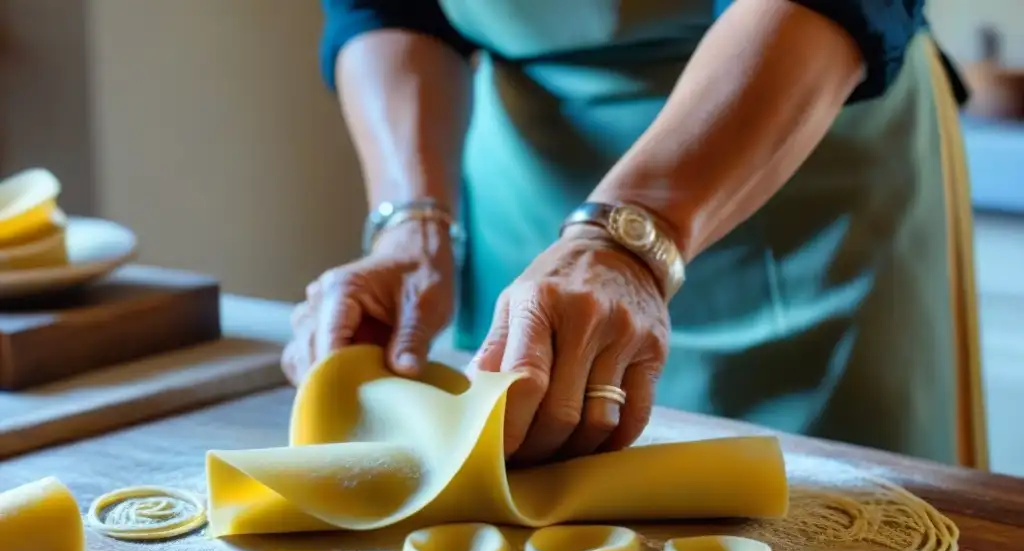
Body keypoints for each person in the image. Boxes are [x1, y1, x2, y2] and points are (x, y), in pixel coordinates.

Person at [286, 0, 970, 467]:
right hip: (525, 185)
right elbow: (386, 8)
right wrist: (412, 223)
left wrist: (633, 237)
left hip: (800, 162)